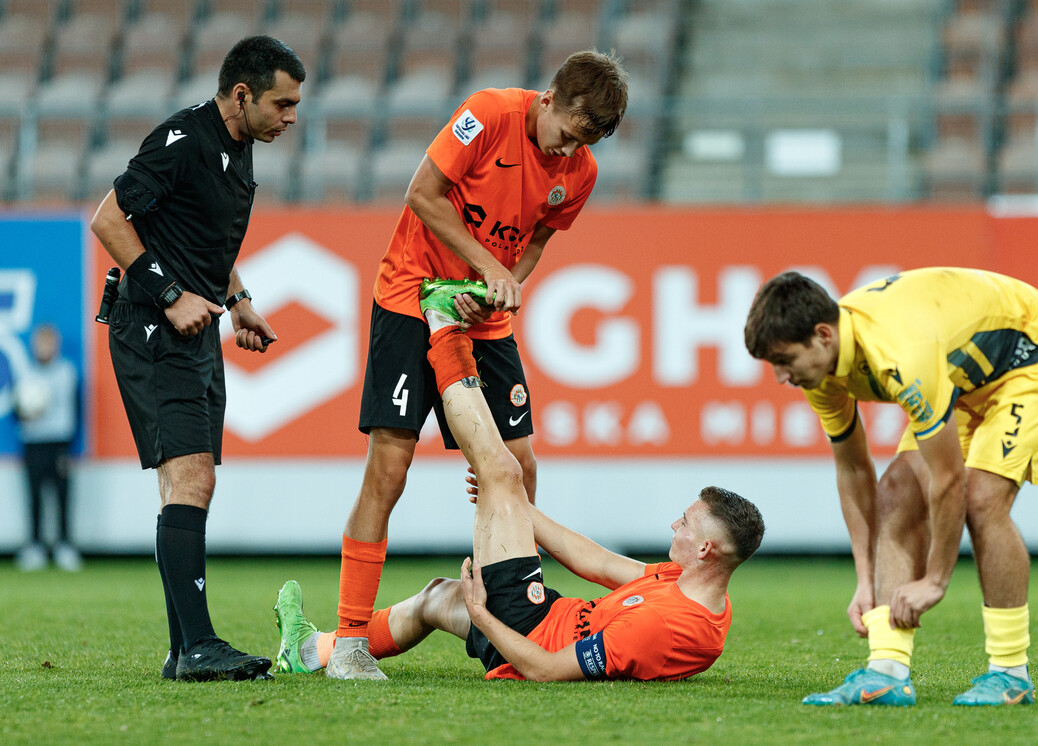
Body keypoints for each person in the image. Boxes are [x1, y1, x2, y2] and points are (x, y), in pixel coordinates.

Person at [317, 49, 630, 680]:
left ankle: (515, 609)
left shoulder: (582, 170)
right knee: (391, 466)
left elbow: (537, 237)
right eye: (567, 134)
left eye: (584, 144)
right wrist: (482, 263)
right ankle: (350, 640)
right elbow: (422, 195)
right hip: (410, 295)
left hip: (485, 319)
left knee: (519, 465)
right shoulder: (488, 114)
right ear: (548, 100)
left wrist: (500, 283)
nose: (570, 151)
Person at [273, 291, 765, 680]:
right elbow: (594, 561)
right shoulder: (679, 584)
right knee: (435, 596)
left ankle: (443, 329)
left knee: (503, 470)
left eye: (685, 522)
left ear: (705, 548)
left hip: (522, 625)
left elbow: (547, 669)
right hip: (539, 613)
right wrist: (518, 514)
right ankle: (309, 652)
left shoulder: (672, 627)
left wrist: (485, 617)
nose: (673, 524)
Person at [743, 267, 1038, 707]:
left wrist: (935, 580)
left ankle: (1010, 673)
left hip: (1037, 353)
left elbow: (948, 480)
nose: (781, 378)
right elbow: (854, 472)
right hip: (964, 370)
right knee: (896, 492)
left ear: (823, 335)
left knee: (983, 500)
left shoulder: (901, 355)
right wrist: (865, 580)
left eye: (785, 361)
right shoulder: (821, 372)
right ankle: (886, 671)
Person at [89, 36, 304, 681]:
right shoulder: (181, 140)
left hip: (196, 327)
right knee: (191, 479)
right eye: (282, 103)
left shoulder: (235, 151)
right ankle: (199, 646)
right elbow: (108, 219)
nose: (291, 116)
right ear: (242, 94)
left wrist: (237, 299)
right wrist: (171, 294)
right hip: (155, 326)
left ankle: (184, 649)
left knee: (187, 483)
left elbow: (199, 237)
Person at [14, 324, 81, 572]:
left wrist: (71, 445)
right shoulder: (25, 373)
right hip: (32, 442)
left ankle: (64, 545)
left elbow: (76, 409)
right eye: (41, 343)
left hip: (59, 442)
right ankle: (35, 546)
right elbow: (17, 410)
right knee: (34, 496)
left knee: (62, 495)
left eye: (49, 343)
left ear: (56, 345)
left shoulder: (67, 372)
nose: (45, 348)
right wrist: (26, 413)